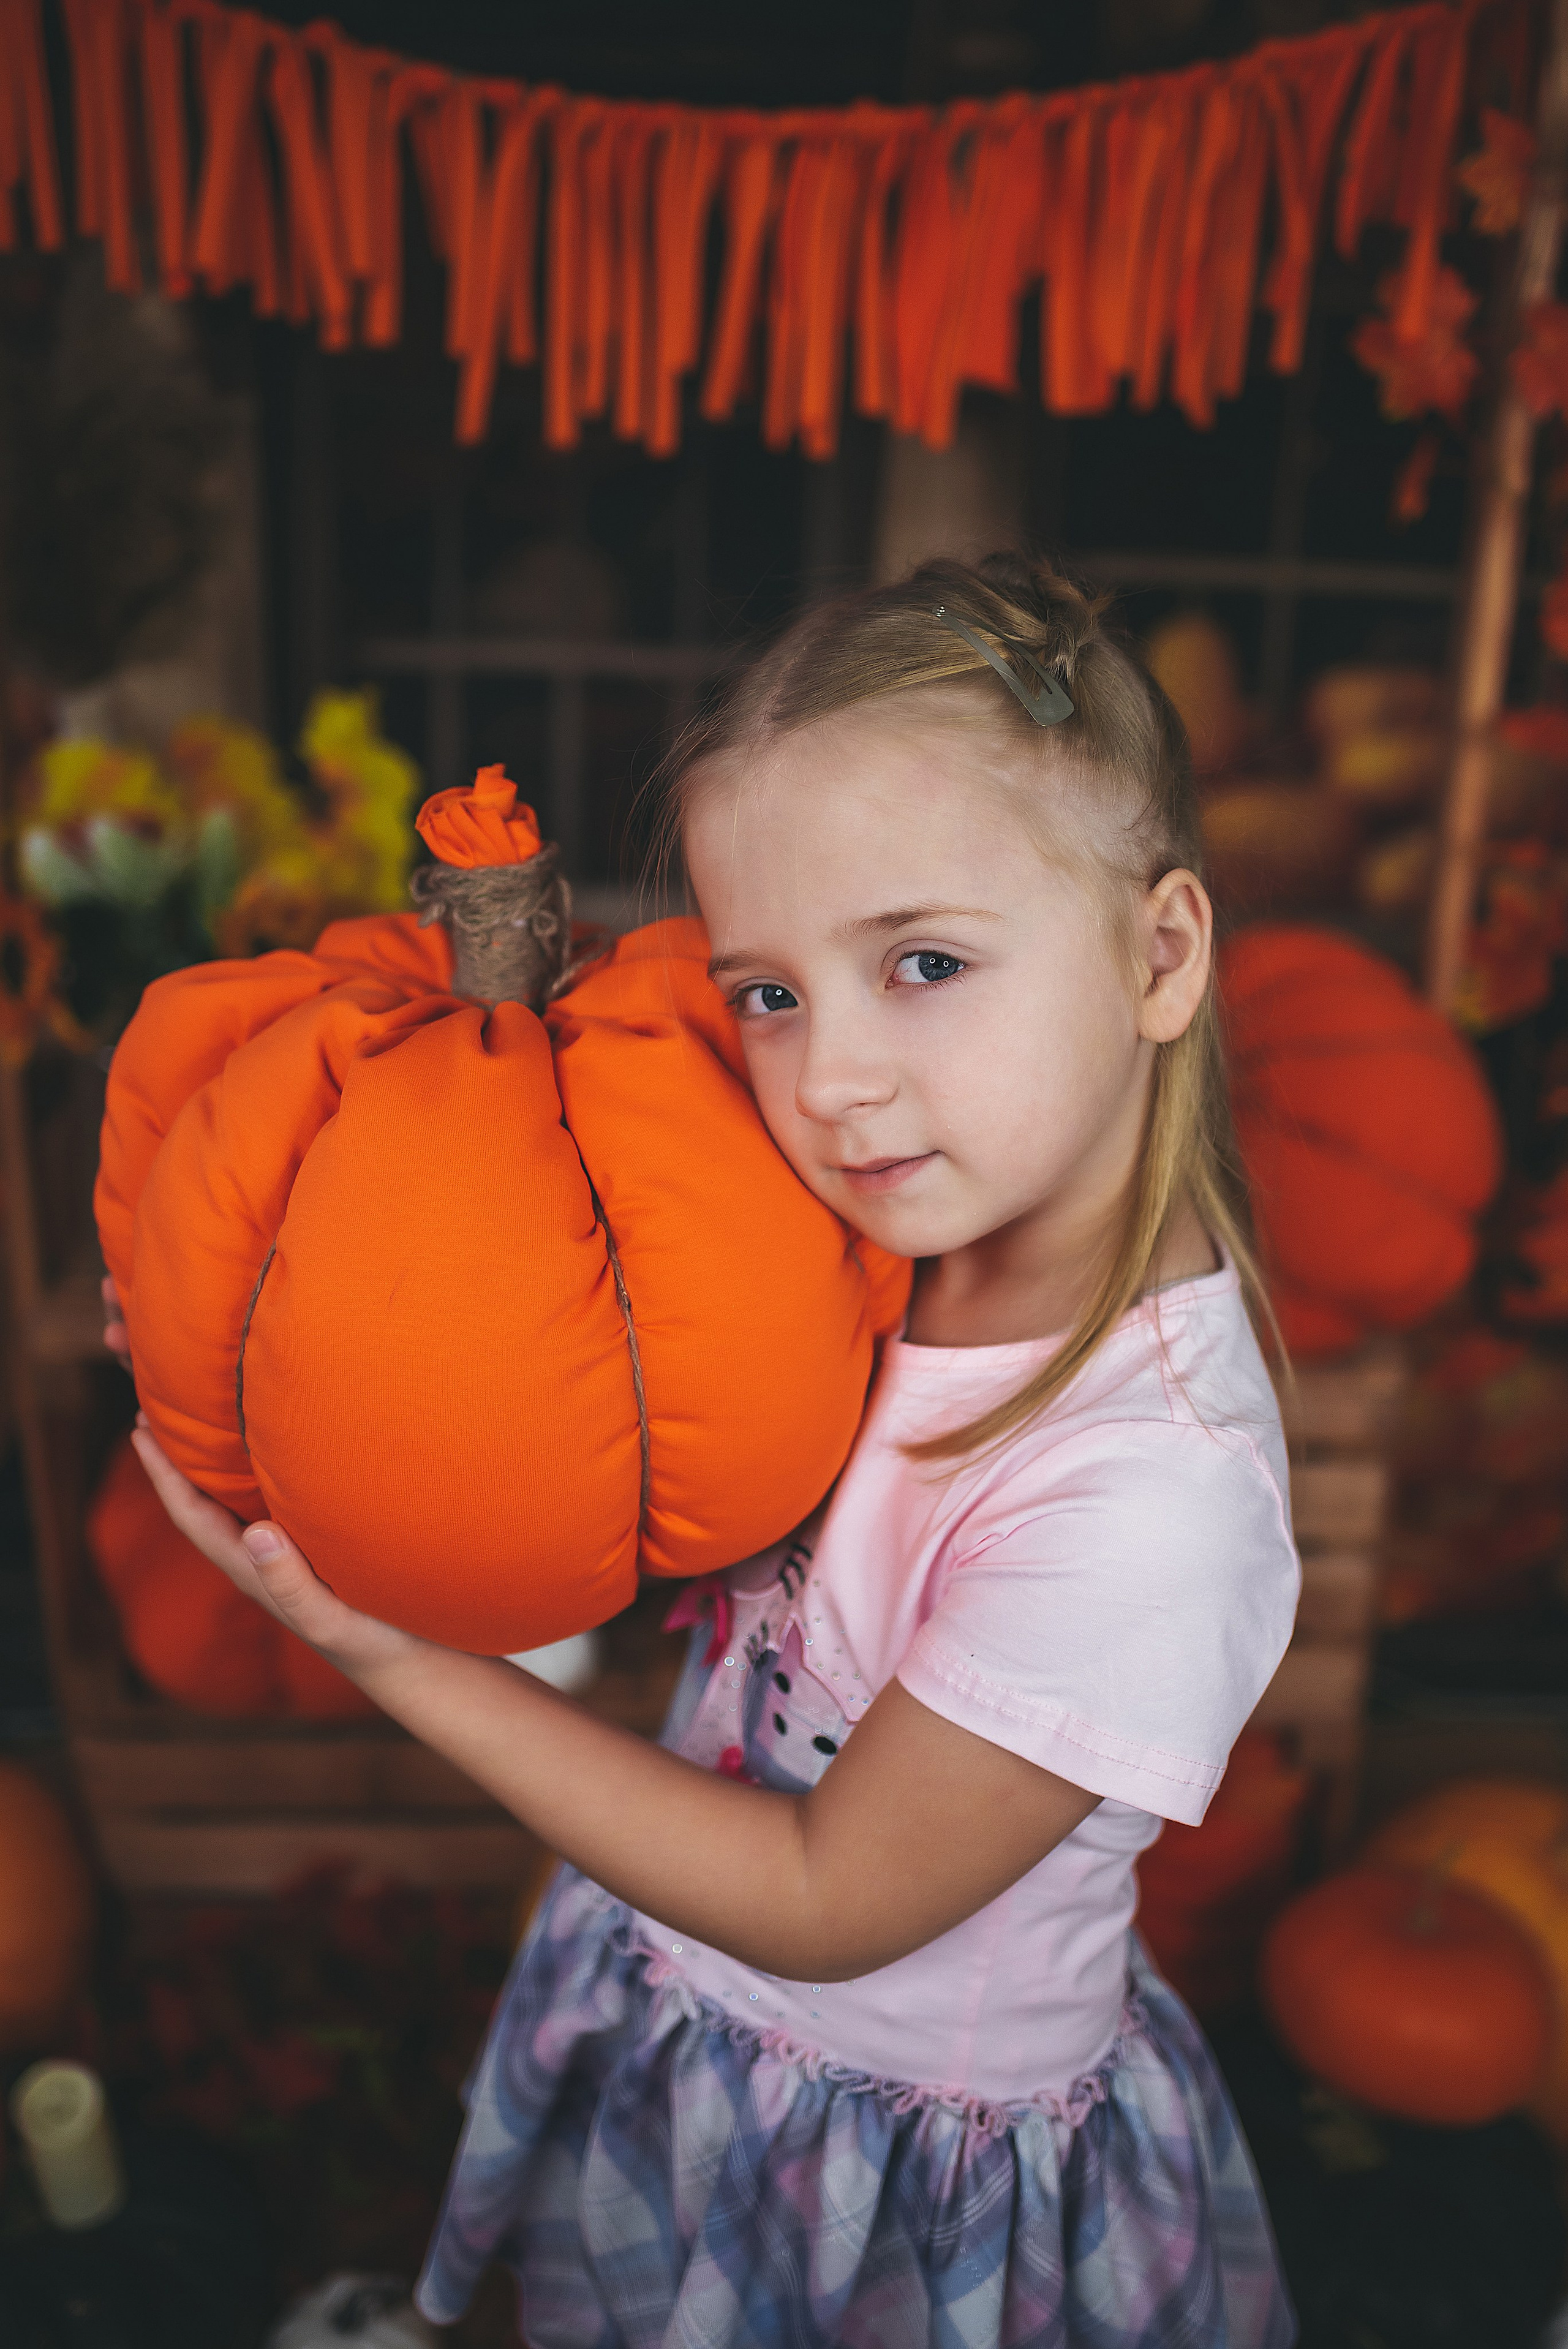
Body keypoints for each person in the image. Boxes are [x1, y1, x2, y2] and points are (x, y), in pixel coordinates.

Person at [127, 552, 1300, 2348]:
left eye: (922, 961)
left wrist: (384, 1646)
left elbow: (830, 1897)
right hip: (689, 1996)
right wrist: (287, 1324)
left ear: (1161, 953)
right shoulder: (887, 1221)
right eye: (766, 991)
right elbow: (633, 1422)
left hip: (883, 2160)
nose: (829, 1076)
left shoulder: (1147, 1500)